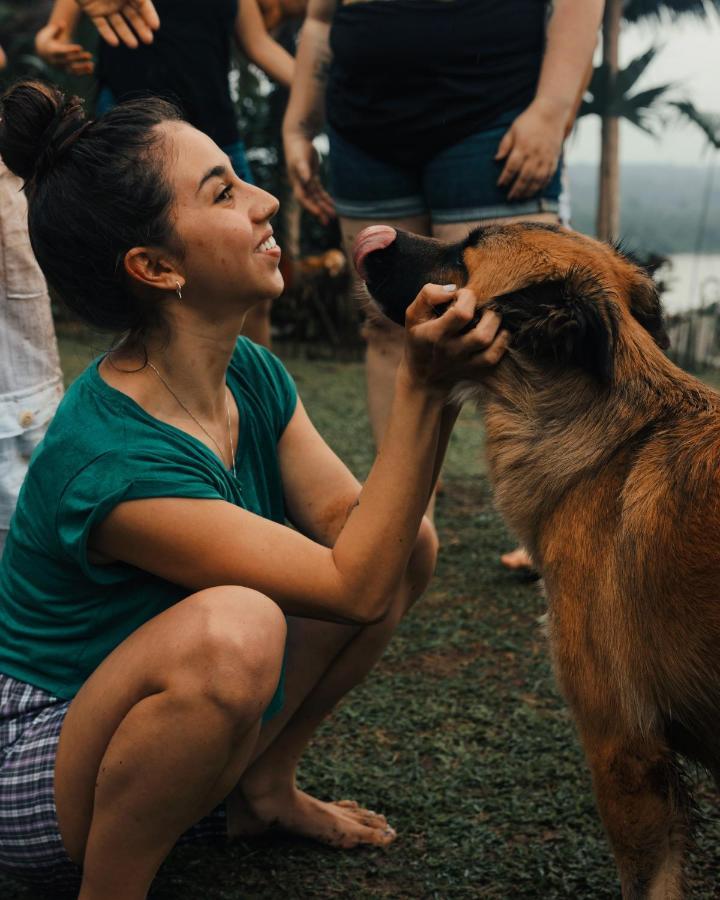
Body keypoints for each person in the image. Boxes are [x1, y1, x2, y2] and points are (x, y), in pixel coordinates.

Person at [0, 81, 508, 898]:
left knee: (402, 538)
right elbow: (353, 587)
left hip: (140, 731)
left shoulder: (249, 371)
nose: (267, 201)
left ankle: (263, 789)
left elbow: (363, 537)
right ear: (156, 267)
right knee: (236, 627)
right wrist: (423, 388)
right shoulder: (112, 464)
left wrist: (436, 383)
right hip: (36, 764)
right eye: (225, 192)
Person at [283, 0, 602, 555]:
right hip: (364, 127)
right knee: (389, 325)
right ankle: (406, 521)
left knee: (518, 327)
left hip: (491, 114)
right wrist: (298, 123)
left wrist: (551, 110)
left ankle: (560, 527)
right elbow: (320, 17)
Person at [36, 0, 295, 350]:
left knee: (255, 278)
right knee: (138, 288)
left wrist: (324, 89)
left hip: (217, 134)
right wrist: (50, 47)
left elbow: (258, 43)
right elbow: (54, 33)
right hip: (135, 150)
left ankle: (252, 395)